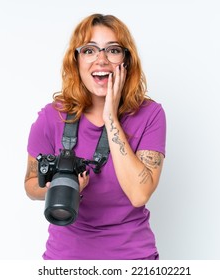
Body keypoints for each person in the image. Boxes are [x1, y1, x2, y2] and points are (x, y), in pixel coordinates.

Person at [24, 13, 166, 260]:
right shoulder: (51, 117)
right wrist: (59, 184)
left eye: (112, 50)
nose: (101, 60)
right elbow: (30, 184)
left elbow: (139, 193)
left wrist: (111, 116)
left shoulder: (150, 115)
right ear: (76, 60)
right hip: (65, 259)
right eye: (89, 50)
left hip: (132, 259)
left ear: (126, 61)